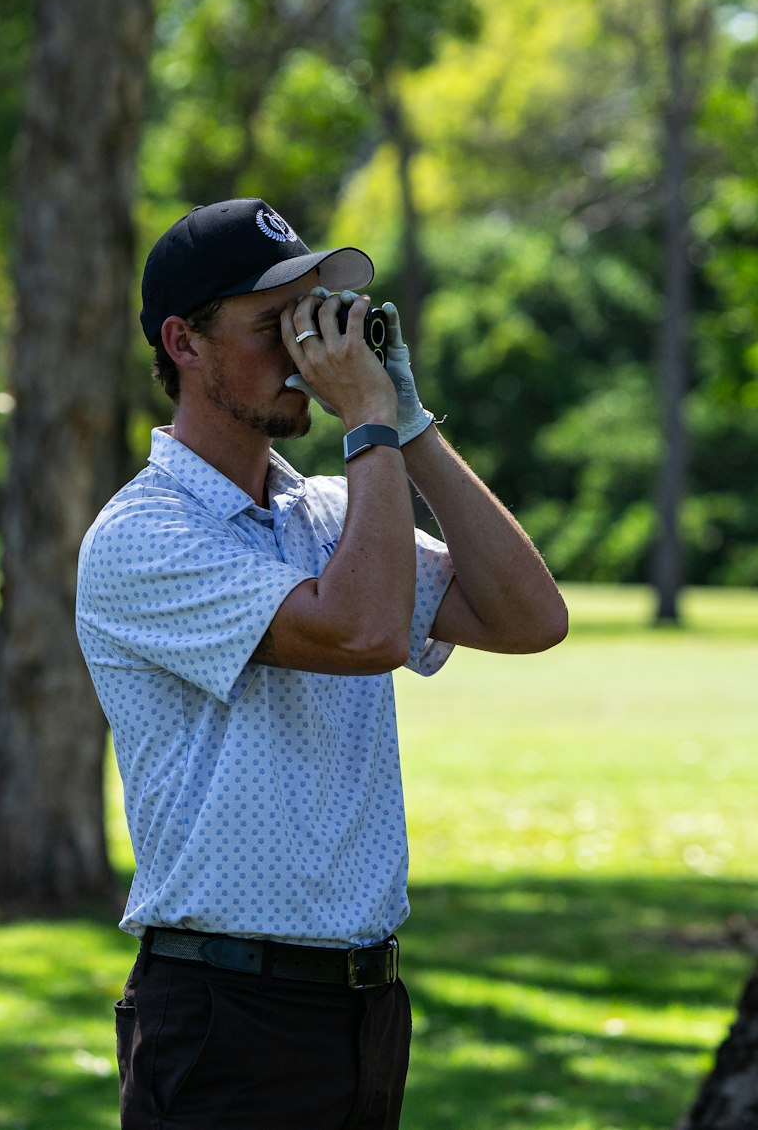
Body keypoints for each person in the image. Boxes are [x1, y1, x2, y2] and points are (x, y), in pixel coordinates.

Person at [75, 197, 568, 1130]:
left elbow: (530, 615)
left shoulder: (337, 516)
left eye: (320, 320)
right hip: (226, 1012)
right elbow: (362, 634)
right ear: (184, 342)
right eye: (277, 327)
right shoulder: (142, 535)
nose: (312, 353)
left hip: (366, 1007)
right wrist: (369, 425)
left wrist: (409, 424)